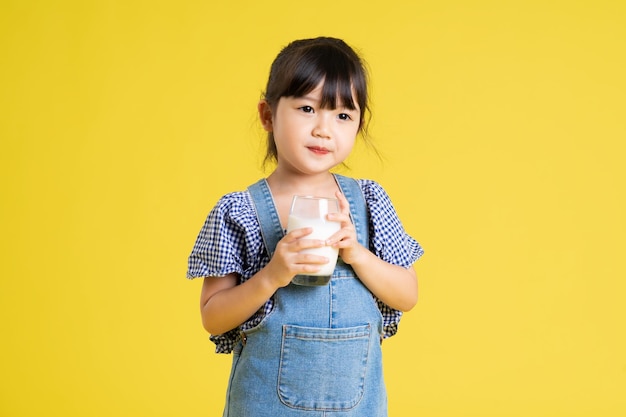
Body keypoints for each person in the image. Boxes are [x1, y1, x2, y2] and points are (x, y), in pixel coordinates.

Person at [187, 36, 424, 417]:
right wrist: (272, 275)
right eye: (308, 108)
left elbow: (407, 295)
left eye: (343, 115)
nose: (324, 130)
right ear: (267, 115)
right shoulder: (240, 211)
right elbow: (212, 316)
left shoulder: (369, 203)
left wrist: (357, 255)